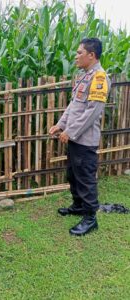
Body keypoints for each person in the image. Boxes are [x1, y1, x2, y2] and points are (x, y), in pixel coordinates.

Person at [49, 38, 111, 236]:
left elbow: (92, 112)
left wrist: (70, 131)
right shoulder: (85, 77)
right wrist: (60, 124)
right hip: (75, 138)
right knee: (73, 175)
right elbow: (74, 106)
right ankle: (78, 206)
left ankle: (90, 218)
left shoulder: (99, 78)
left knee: (85, 178)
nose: (76, 57)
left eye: (79, 53)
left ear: (91, 55)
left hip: (85, 140)